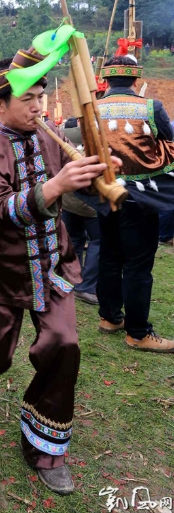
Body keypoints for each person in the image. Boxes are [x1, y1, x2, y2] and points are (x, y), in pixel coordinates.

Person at [0, 51, 114, 496]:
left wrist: (97, 174)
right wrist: (56, 186)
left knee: (64, 345)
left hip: (52, 264)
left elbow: (70, 195)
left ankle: (45, 448)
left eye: (40, 96)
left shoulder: (50, 135)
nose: (39, 107)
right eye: (28, 99)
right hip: (0, 269)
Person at [96, 54, 174, 352]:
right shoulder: (150, 107)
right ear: (136, 78)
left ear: (105, 78)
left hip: (105, 192)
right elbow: (168, 140)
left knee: (109, 255)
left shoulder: (92, 110)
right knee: (139, 264)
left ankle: (110, 317)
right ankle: (138, 332)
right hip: (143, 195)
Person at [62, 118, 100, 305]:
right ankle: (86, 286)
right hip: (90, 202)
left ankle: (71, 279)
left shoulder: (65, 134)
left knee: (74, 239)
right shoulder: (97, 135)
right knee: (98, 242)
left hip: (68, 198)